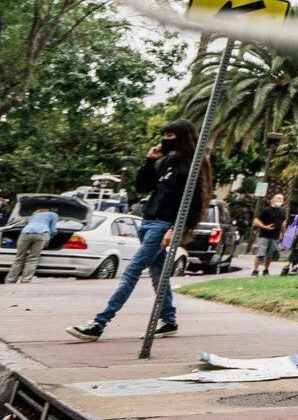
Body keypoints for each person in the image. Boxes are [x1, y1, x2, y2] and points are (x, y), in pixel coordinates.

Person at [67, 119, 213, 341]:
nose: (165, 139)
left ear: (182, 137)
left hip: (162, 225)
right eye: (164, 135)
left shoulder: (192, 164)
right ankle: (169, 320)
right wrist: (149, 162)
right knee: (157, 274)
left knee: (132, 271)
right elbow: (145, 187)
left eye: (170, 136)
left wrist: (176, 228)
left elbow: (194, 201)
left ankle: (99, 322)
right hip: (147, 222)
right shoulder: (169, 161)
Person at [10, 207, 59, 284]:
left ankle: (11, 279)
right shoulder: (53, 214)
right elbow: (53, 229)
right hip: (41, 233)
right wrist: (51, 237)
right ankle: (26, 280)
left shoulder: (31, 217)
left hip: (25, 233)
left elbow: (24, 225)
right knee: (33, 258)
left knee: (19, 258)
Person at [250, 193, 287, 275]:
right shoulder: (266, 210)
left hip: (275, 236)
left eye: (282, 199)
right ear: (273, 199)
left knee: (270, 255)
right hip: (264, 236)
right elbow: (256, 221)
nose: (280, 200)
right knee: (260, 253)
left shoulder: (282, 211)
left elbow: (283, 222)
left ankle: (266, 270)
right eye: (278, 198)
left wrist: (283, 233)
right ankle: (255, 270)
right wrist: (264, 226)